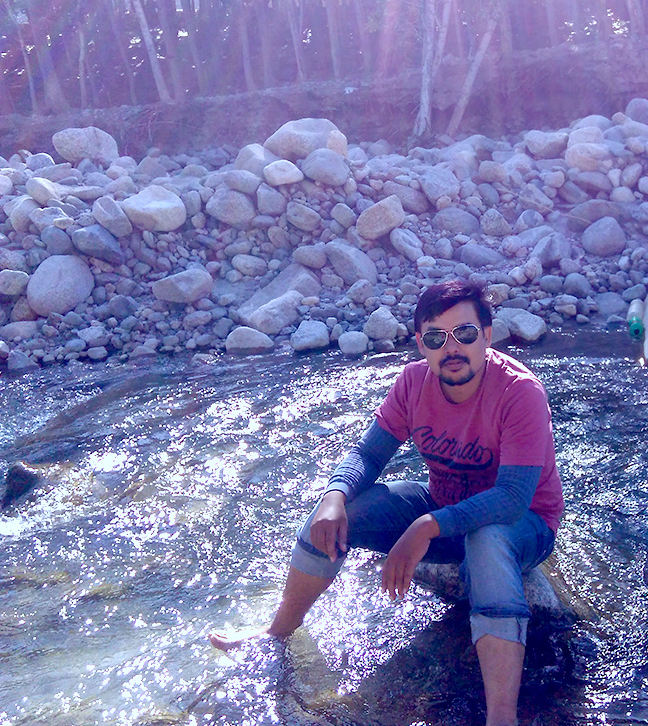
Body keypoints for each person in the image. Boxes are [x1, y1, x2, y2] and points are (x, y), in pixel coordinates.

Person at [210, 279, 564, 726]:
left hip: (523, 525)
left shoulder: (520, 393)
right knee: (338, 514)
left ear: (488, 336)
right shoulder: (413, 383)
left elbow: (513, 499)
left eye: (465, 334)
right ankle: (277, 631)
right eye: (436, 338)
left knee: (488, 540)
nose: (451, 348)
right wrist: (335, 494)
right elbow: (368, 454)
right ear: (421, 345)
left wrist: (425, 527)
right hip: (442, 505)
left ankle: (501, 717)